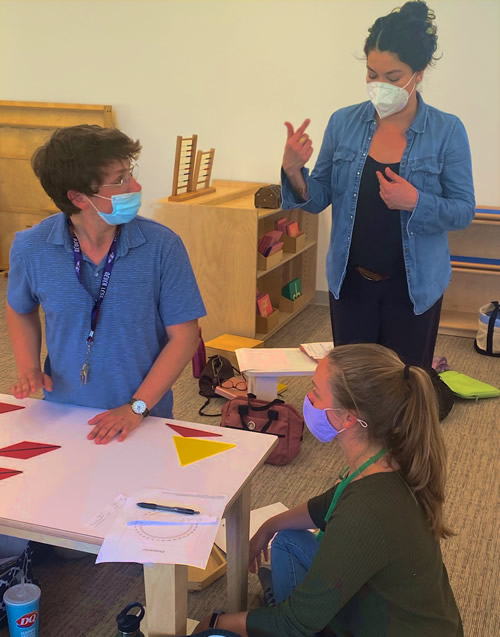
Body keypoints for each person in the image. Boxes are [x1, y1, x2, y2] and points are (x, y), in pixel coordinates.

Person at [194, 343, 463, 636]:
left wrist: (216, 621)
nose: (306, 400)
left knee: (238, 628)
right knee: (286, 540)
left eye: (316, 392)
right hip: (399, 612)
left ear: (348, 416)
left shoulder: (366, 512)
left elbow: (293, 623)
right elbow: (327, 505)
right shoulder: (385, 461)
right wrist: (268, 527)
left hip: (389, 625)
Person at [281, 0, 475, 369]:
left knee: (405, 388)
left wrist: (416, 200)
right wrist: (294, 172)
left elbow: (463, 210)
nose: (380, 86)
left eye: (393, 77)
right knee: (354, 386)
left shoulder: (447, 131)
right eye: (372, 74)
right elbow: (319, 194)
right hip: (351, 286)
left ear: (418, 73)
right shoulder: (343, 123)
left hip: (414, 288)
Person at [6, 124, 206, 444]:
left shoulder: (162, 246)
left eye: (130, 173)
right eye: (120, 180)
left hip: (143, 418)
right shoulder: (31, 247)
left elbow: (184, 336)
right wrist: (29, 366)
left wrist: (136, 407)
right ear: (78, 197)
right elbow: (20, 309)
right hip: (62, 416)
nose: (136, 185)